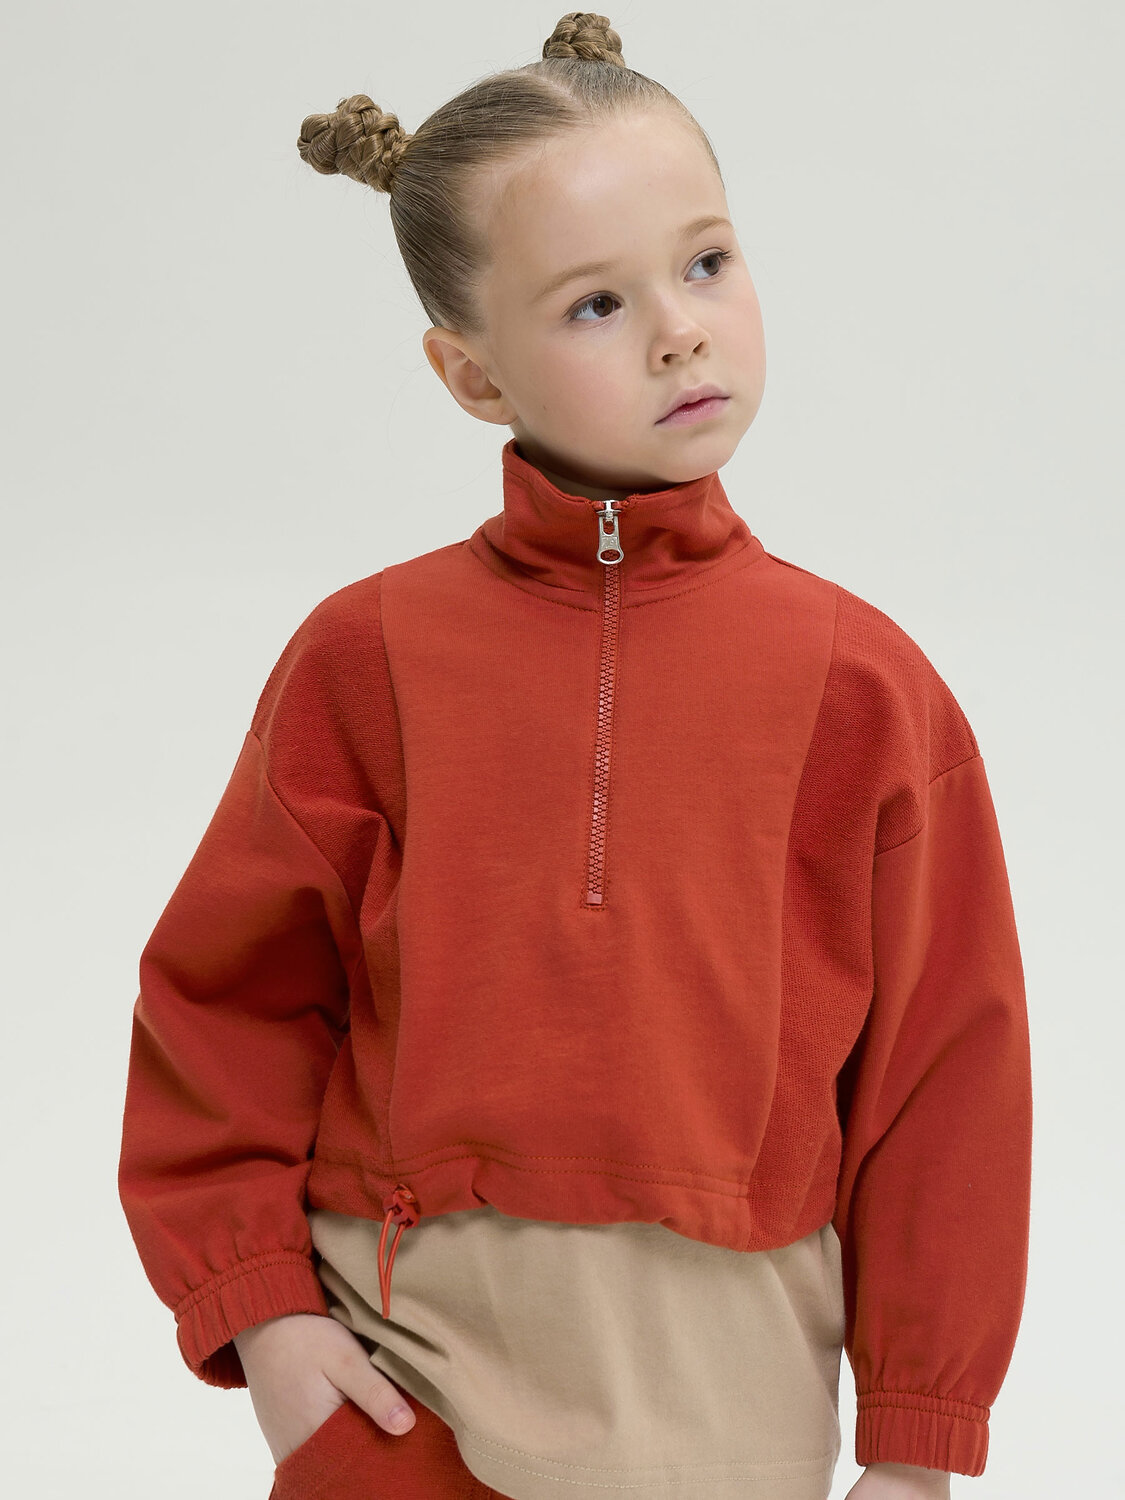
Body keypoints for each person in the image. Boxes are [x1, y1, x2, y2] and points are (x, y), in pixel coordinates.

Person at [116, 12, 1033, 1500]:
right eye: (595, 303)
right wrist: (263, 1315)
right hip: (401, 1375)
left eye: (706, 262)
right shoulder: (366, 657)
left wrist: (919, 1438)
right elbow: (225, 1000)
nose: (679, 328)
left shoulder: (864, 687)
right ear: (471, 376)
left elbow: (946, 1075)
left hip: (730, 1396)